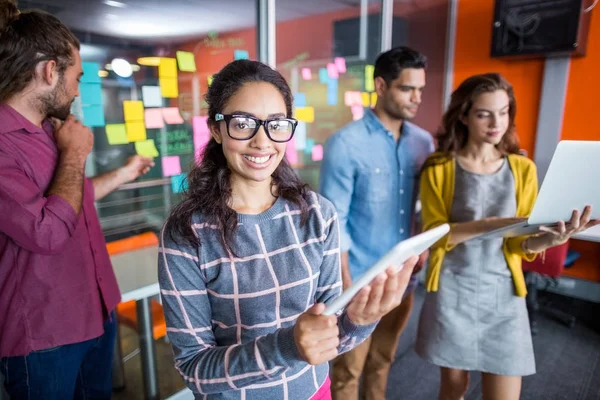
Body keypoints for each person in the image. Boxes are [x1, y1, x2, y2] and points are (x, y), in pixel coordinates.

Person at [158, 59, 418, 400]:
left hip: (315, 393)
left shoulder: (317, 213)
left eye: (276, 125)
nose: (262, 141)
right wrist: (286, 346)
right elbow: (194, 369)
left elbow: (331, 339)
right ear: (217, 129)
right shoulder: (186, 234)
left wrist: (361, 320)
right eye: (243, 123)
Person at [0, 1, 154, 399]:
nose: (76, 88)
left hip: (96, 312)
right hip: (45, 335)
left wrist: (122, 173)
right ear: (50, 71)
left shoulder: (53, 132)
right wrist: (75, 155)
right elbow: (47, 231)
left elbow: (69, 201)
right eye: (77, 76)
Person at [415, 72, 599, 400]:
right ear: (464, 115)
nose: (496, 122)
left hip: (503, 293)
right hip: (453, 289)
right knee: (453, 390)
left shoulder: (522, 168)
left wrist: (553, 238)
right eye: (484, 113)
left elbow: (522, 243)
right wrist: (492, 224)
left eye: (503, 112)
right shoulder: (439, 167)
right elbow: (434, 234)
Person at [320, 46, 434, 399]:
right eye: (406, 89)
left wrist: (423, 248)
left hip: (404, 278)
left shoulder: (423, 143)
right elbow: (334, 222)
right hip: (361, 280)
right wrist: (346, 285)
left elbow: (424, 206)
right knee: (348, 370)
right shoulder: (345, 144)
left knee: (384, 358)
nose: (416, 98)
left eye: (420, 89)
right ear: (382, 87)